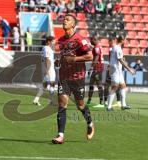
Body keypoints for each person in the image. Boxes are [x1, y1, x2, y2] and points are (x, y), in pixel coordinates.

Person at [52, 14, 94, 144]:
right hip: (64, 77)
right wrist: (58, 62)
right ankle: (60, 136)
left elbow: (90, 56)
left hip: (77, 78)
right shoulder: (60, 41)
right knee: (62, 104)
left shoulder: (81, 40)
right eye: (64, 19)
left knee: (80, 105)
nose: (64, 21)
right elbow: (64, 56)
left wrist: (74, 59)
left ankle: (90, 123)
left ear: (73, 25)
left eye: (67, 20)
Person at [105, 36, 135, 111]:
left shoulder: (115, 48)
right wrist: (129, 69)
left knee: (123, 86)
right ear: (122, 40)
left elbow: (116, 58)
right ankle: (109, 107)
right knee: (114, 87)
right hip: (115, 70)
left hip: (117, 70)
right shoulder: (118, 48)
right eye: (125, 40)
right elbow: (120, 60)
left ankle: (123, 105)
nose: (125, 41)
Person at [33, 36, 56, 106]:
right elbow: (47, 59)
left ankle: (36, 99)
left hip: (46, 69)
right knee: (52, 85)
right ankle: (51, 102)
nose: (54, 42)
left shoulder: (45, 48)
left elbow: (48, 59)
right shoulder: (47, 48)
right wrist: (48, 70)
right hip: (49, 70)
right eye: (53, 41)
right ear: (49, 41)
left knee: (44, 86)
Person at [87, 36, 104, 107]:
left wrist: (91, 67)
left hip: (98, 68)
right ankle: (89, 100)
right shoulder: (96, 47)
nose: (90, 42)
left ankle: (101, 102)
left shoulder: (97, 47)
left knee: (99, 85)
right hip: (96, 68)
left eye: (91, 40)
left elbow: (96, 57)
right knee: (91, 84)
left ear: (94, 40)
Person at [104, 37, 121, 108]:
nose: (108, 43)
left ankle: (107, 102)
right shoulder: (116, 48)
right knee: (115, 85)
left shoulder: (113, 49)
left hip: (113, 70)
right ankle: (118, 102)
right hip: (113, 68)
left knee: (111, 85)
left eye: (109, 42)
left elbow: (113, 59)